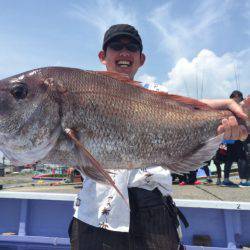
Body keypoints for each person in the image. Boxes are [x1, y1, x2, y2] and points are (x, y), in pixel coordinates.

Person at [68, 24, 248, 250]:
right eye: (116, 46)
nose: (125, 52)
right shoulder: (82, 92)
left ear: (141, 59)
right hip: (96, 212)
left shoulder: (155, 91)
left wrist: (231, 114)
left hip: (154, 209)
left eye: (132, 47)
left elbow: (186, 112)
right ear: (103, 56)